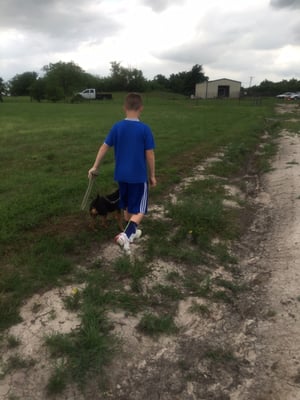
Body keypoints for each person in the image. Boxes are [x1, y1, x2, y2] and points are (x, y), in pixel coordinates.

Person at [88, 92, 156, 254]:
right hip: (138, 176)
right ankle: (125, 235)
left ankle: (131, 233)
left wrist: (95, 167)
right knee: (140, 209)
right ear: (141, 108)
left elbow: (104, 147)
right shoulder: (145, 129)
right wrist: (152, 175)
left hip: (122, 176)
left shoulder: (117, 127)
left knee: (126, 205)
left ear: (124, 108)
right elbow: (150, 154)